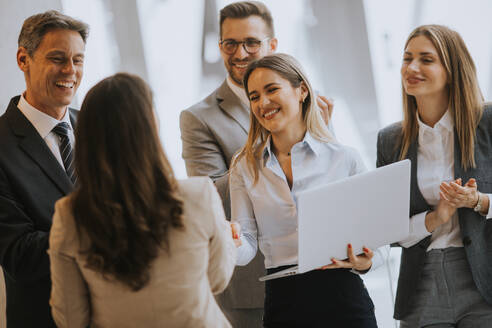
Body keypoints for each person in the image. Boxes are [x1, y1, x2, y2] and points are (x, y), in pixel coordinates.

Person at [179, 2, 333, 325]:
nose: (240, 53)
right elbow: (210, 195)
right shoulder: (198, 118)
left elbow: (330, 181)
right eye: (230, 44)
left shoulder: (307, 101)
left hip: (322, 275)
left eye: (251, 42)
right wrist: (268, 145)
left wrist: (318, 137)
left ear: (272, 45)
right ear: (219, 46)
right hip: (251, 288)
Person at [48, 73, 236, 328]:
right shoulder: (199, 195)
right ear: (150, 126)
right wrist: (225, 235)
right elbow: (216, 280)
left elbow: (72, 319)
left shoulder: (70, 215)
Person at [230, 53, 379, 327]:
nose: (263, 103)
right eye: (254, 96)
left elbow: (376, 245)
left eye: (272, 89)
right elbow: (246, 245)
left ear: (302, 91)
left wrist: (365, 262)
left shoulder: (344, 158)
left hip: (344, 298)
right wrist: (231, 243)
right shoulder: (244, 167)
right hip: (284, 302)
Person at [377, 24, 492, 327]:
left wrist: (479, 201)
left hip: (485, 282)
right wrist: (435, 218)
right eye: (407, 58)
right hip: (421, 285)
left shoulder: (488, 123)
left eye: (426, 59)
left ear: (452, 69)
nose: (411, 67)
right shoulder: (390, 140)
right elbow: (387, 229)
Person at [0, 11, 88, 327]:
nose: (70, 71)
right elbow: (17, 254)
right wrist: (102, 225)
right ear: (23, 59)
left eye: (78, 60)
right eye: (57, 58)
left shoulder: (96, 125)